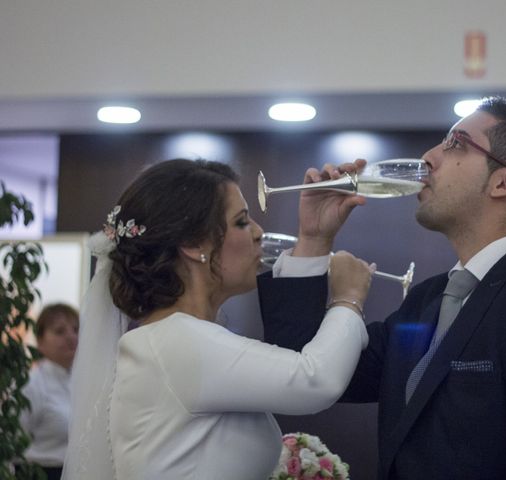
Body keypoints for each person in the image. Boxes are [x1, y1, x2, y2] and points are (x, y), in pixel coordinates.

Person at [258, 97, 506, 479]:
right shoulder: (427, 300)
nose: (428, 156)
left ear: (504, 180)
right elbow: (304, 370)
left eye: (456, 143)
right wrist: (313, 238)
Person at [62, 159, 374, 480]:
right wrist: (347, 300)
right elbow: (315, 379)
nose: (258, 232)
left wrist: (314, 238)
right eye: (241, 222)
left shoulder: (176, 338)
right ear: (193, 244)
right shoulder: (177, 341)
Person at [20, 303, 79, 480]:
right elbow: (15, 442)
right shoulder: (32, 384)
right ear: (40, 341)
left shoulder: (83, 381)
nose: (71, 337)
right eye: (60, 331)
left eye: (76, 329)